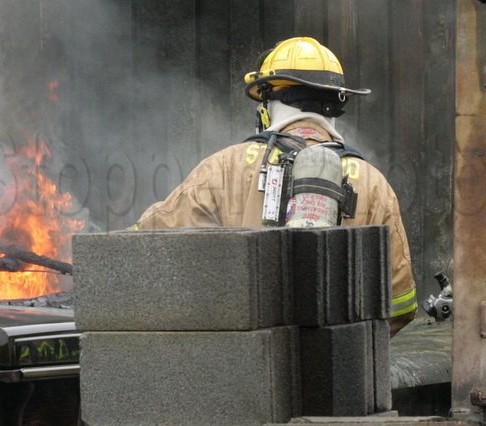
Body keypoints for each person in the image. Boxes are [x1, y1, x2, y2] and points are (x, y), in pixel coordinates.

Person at [135, 36, 418, 335]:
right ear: (336, 105)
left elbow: (145, 244)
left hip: (245, 355)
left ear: (268, 104)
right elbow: (400, 303)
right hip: (340, 358)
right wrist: (352, 344)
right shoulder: (373, 183)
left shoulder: (224, 168)